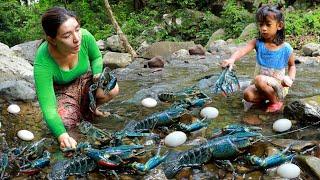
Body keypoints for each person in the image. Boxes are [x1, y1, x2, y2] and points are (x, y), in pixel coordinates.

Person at [34, 7, 119, 149]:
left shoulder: (85, 37)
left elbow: (97, 57)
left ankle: (90, 111)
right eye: (67, 36)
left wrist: (97, 73)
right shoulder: (42, 63)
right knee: (66, 125)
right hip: (62, 91)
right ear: (52, 40)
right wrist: (62, 135)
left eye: (77, 29)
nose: (77, 39)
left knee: (111, 88)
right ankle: (82, 115)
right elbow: (48, 108)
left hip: (83, 80)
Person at [221, 4, 296, 113]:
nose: (263, 28)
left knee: (259, 79)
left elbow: (292, 65)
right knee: (247, 95)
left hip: (278, 87)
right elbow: (242, 50)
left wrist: (290, 79)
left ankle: (276, 101)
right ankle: (266, 100)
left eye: (268, 25)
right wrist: (231, 59)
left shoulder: (286, 48)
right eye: (261, 25)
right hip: (259, 86)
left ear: (279, 26)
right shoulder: (258, 43)